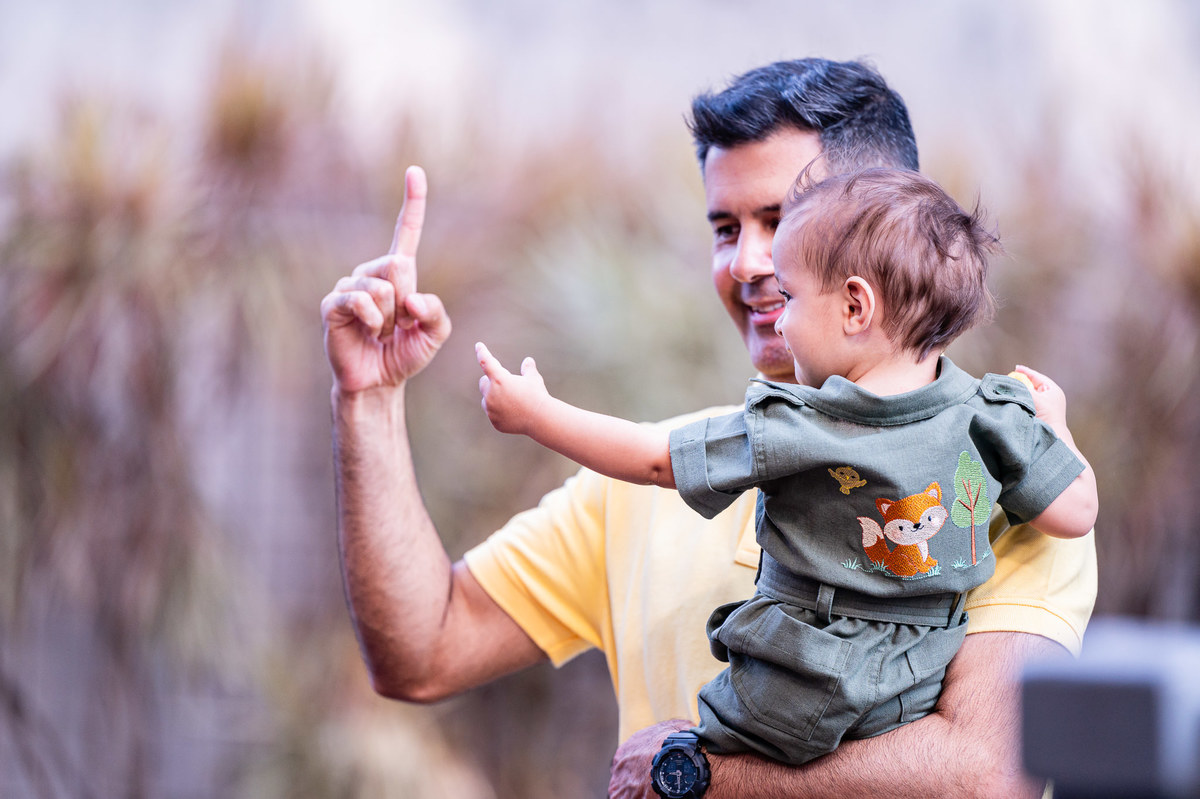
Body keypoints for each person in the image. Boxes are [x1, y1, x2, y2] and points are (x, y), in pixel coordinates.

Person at [320, 58, 1097, 798]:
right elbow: (422, 650)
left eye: (781, 220)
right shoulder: (637, 474)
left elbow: (986, 777)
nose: (749, 262)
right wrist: (367, 398)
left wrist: (694, 776)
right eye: (726, 228)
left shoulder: (993, 479)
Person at [474, 165, 1098, 767]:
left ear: (855, 307)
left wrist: (538, 417)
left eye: (790, 297)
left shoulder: (797, 425)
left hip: (794, 681)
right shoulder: (995, 418)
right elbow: (1076, 514)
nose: (781, 320)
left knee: (682, 758)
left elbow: (655, 459)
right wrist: (1056, 428)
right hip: (917, 684)